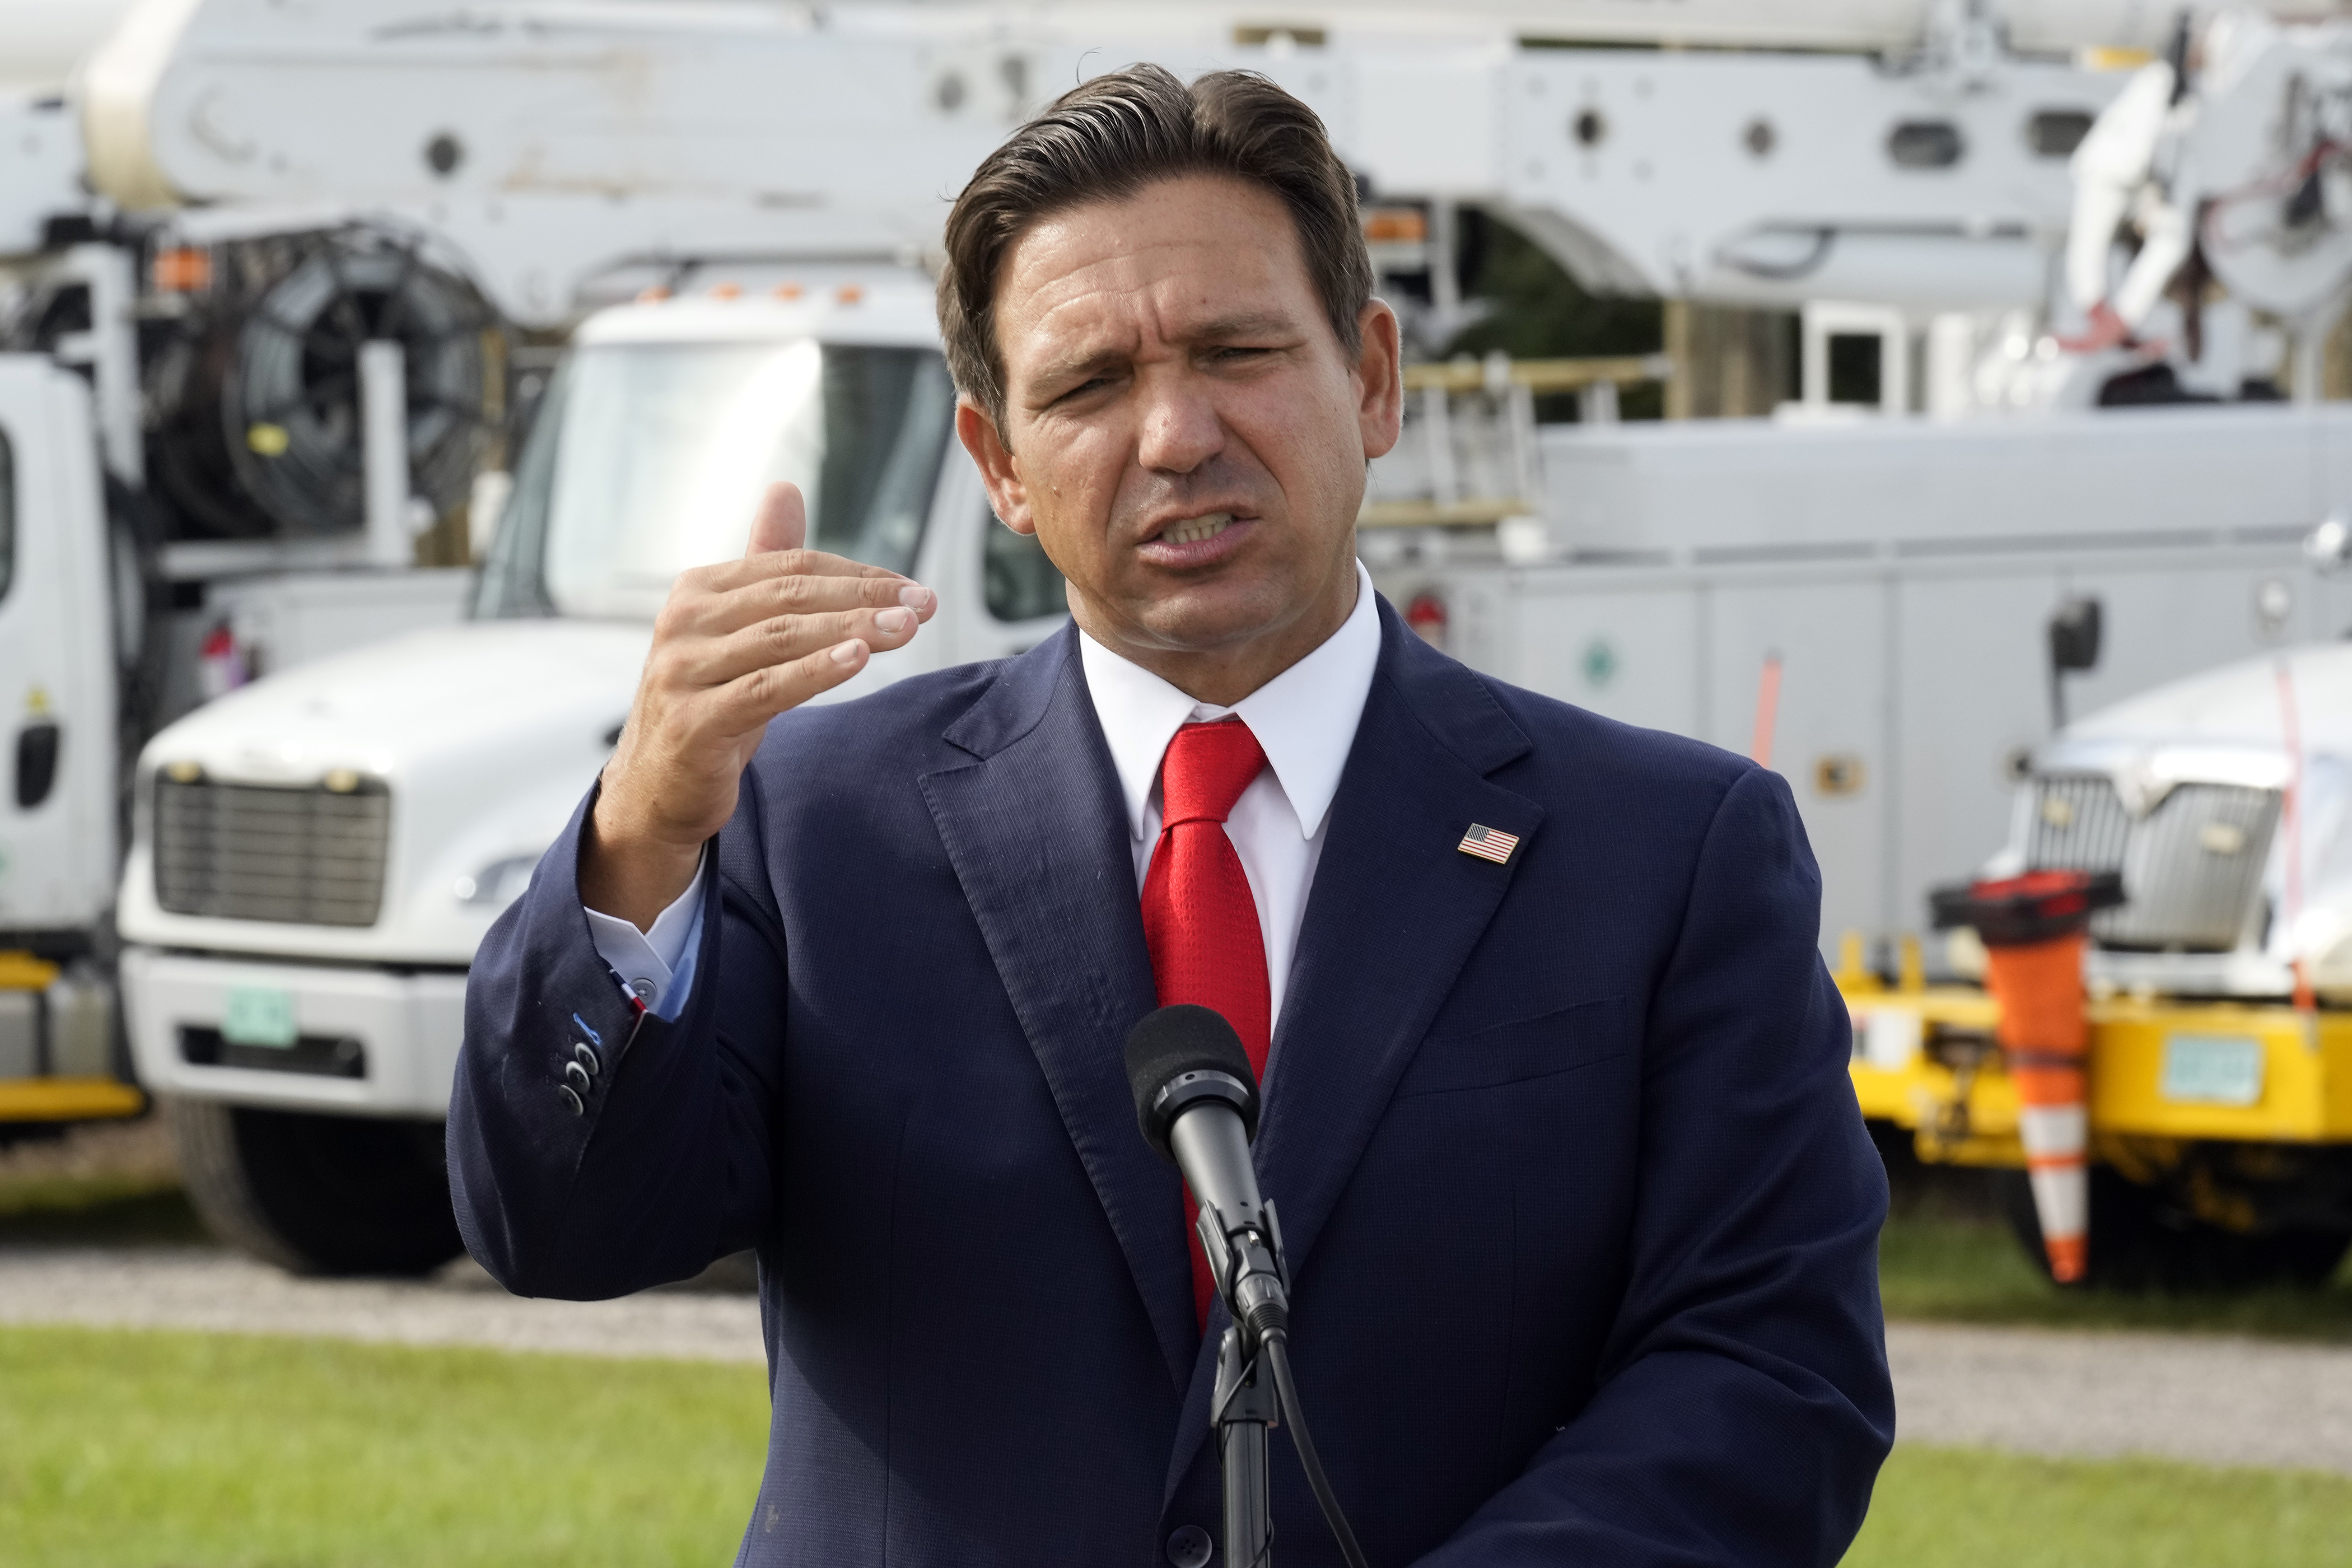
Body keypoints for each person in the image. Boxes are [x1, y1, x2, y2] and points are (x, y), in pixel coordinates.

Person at [449, 64, 1893, 1567]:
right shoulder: (808, 826)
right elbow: (559, 1229)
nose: (1176, 433)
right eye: (1087, 386)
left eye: (1237, 350)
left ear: (1375, 379)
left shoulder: (1669, 854)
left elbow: (1769, 1376)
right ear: (999, 464)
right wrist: (644, 828)